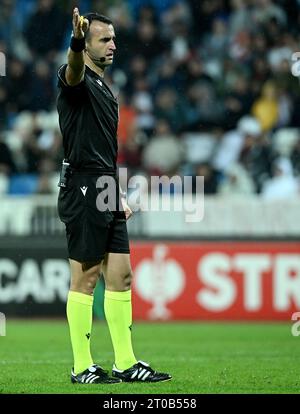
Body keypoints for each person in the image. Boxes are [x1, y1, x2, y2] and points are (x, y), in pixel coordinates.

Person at [56, 7, 171, 384]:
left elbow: (103, 148)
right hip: (83, 187)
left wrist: (115, 192)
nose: (112, 46)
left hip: (105, 186)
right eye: (103, 39)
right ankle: (81, 367)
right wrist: (74, 41)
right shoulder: (76, 78)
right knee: (86, 278)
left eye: (113, 39)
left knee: (121, 276)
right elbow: (72, 69)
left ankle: (125, 363)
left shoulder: (104, 85)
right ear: (85, 45)